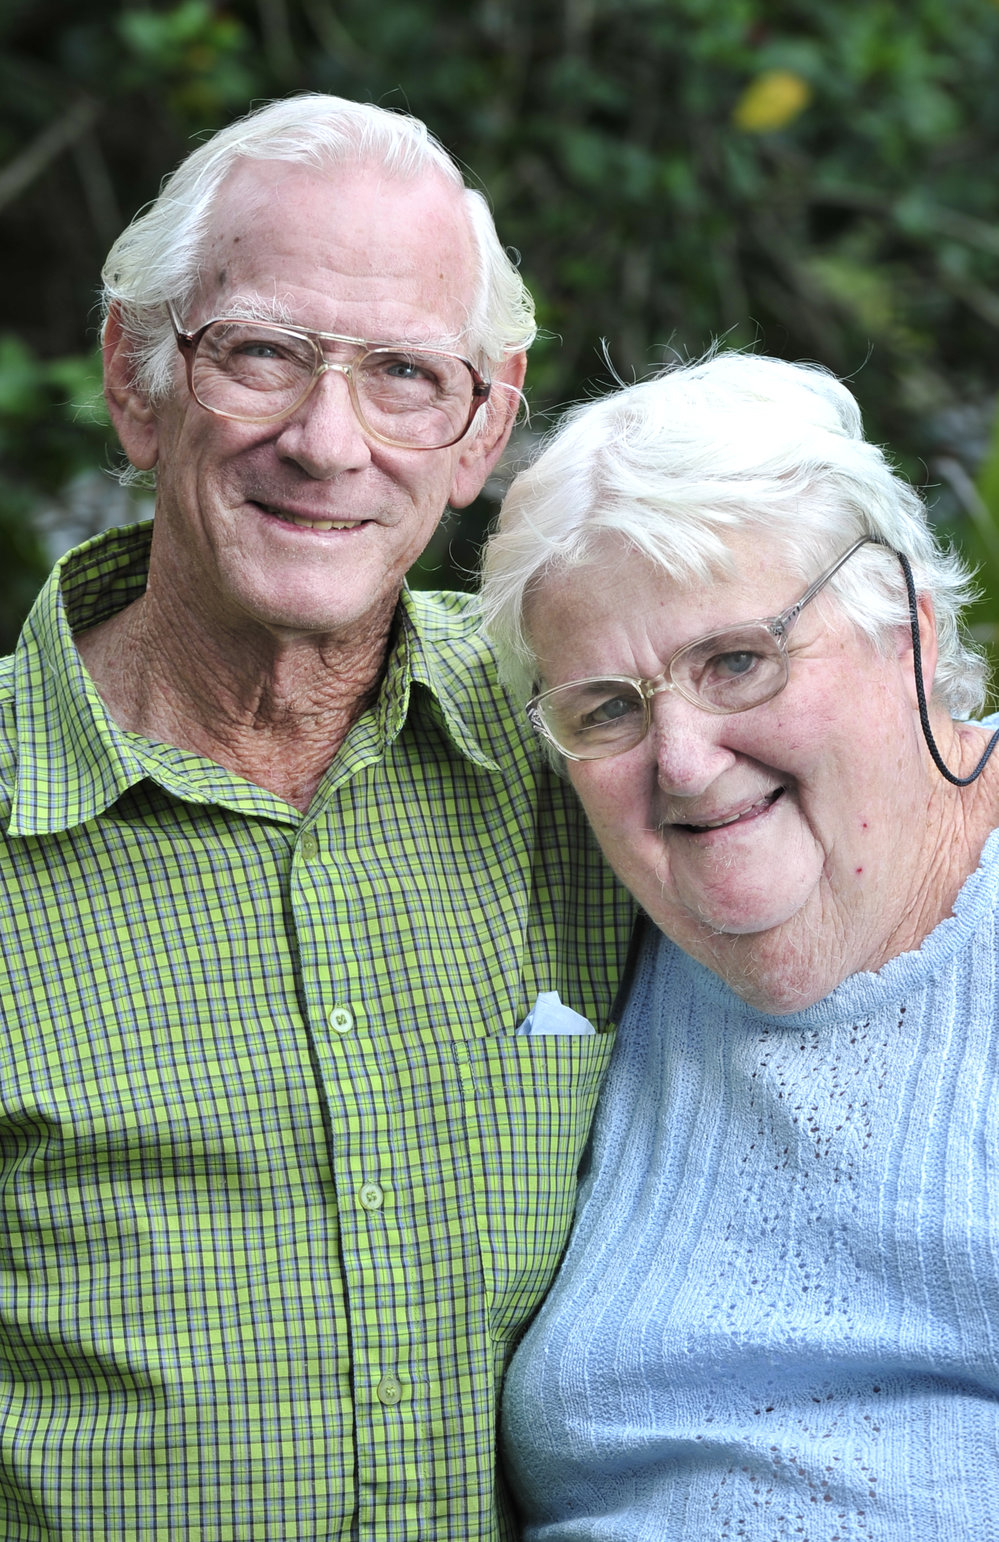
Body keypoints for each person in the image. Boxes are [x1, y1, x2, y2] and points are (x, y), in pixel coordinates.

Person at [0, 94, 635, 1540]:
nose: (326, 441)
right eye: (263, 353)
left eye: (404, 373)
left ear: (483, 426)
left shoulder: (589, 743)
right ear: (136, 379)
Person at [479, 351, 999, 1539]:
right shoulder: (586, 933)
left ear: (909, 634)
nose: (681, 759)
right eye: (608, 708)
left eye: (736, 662)